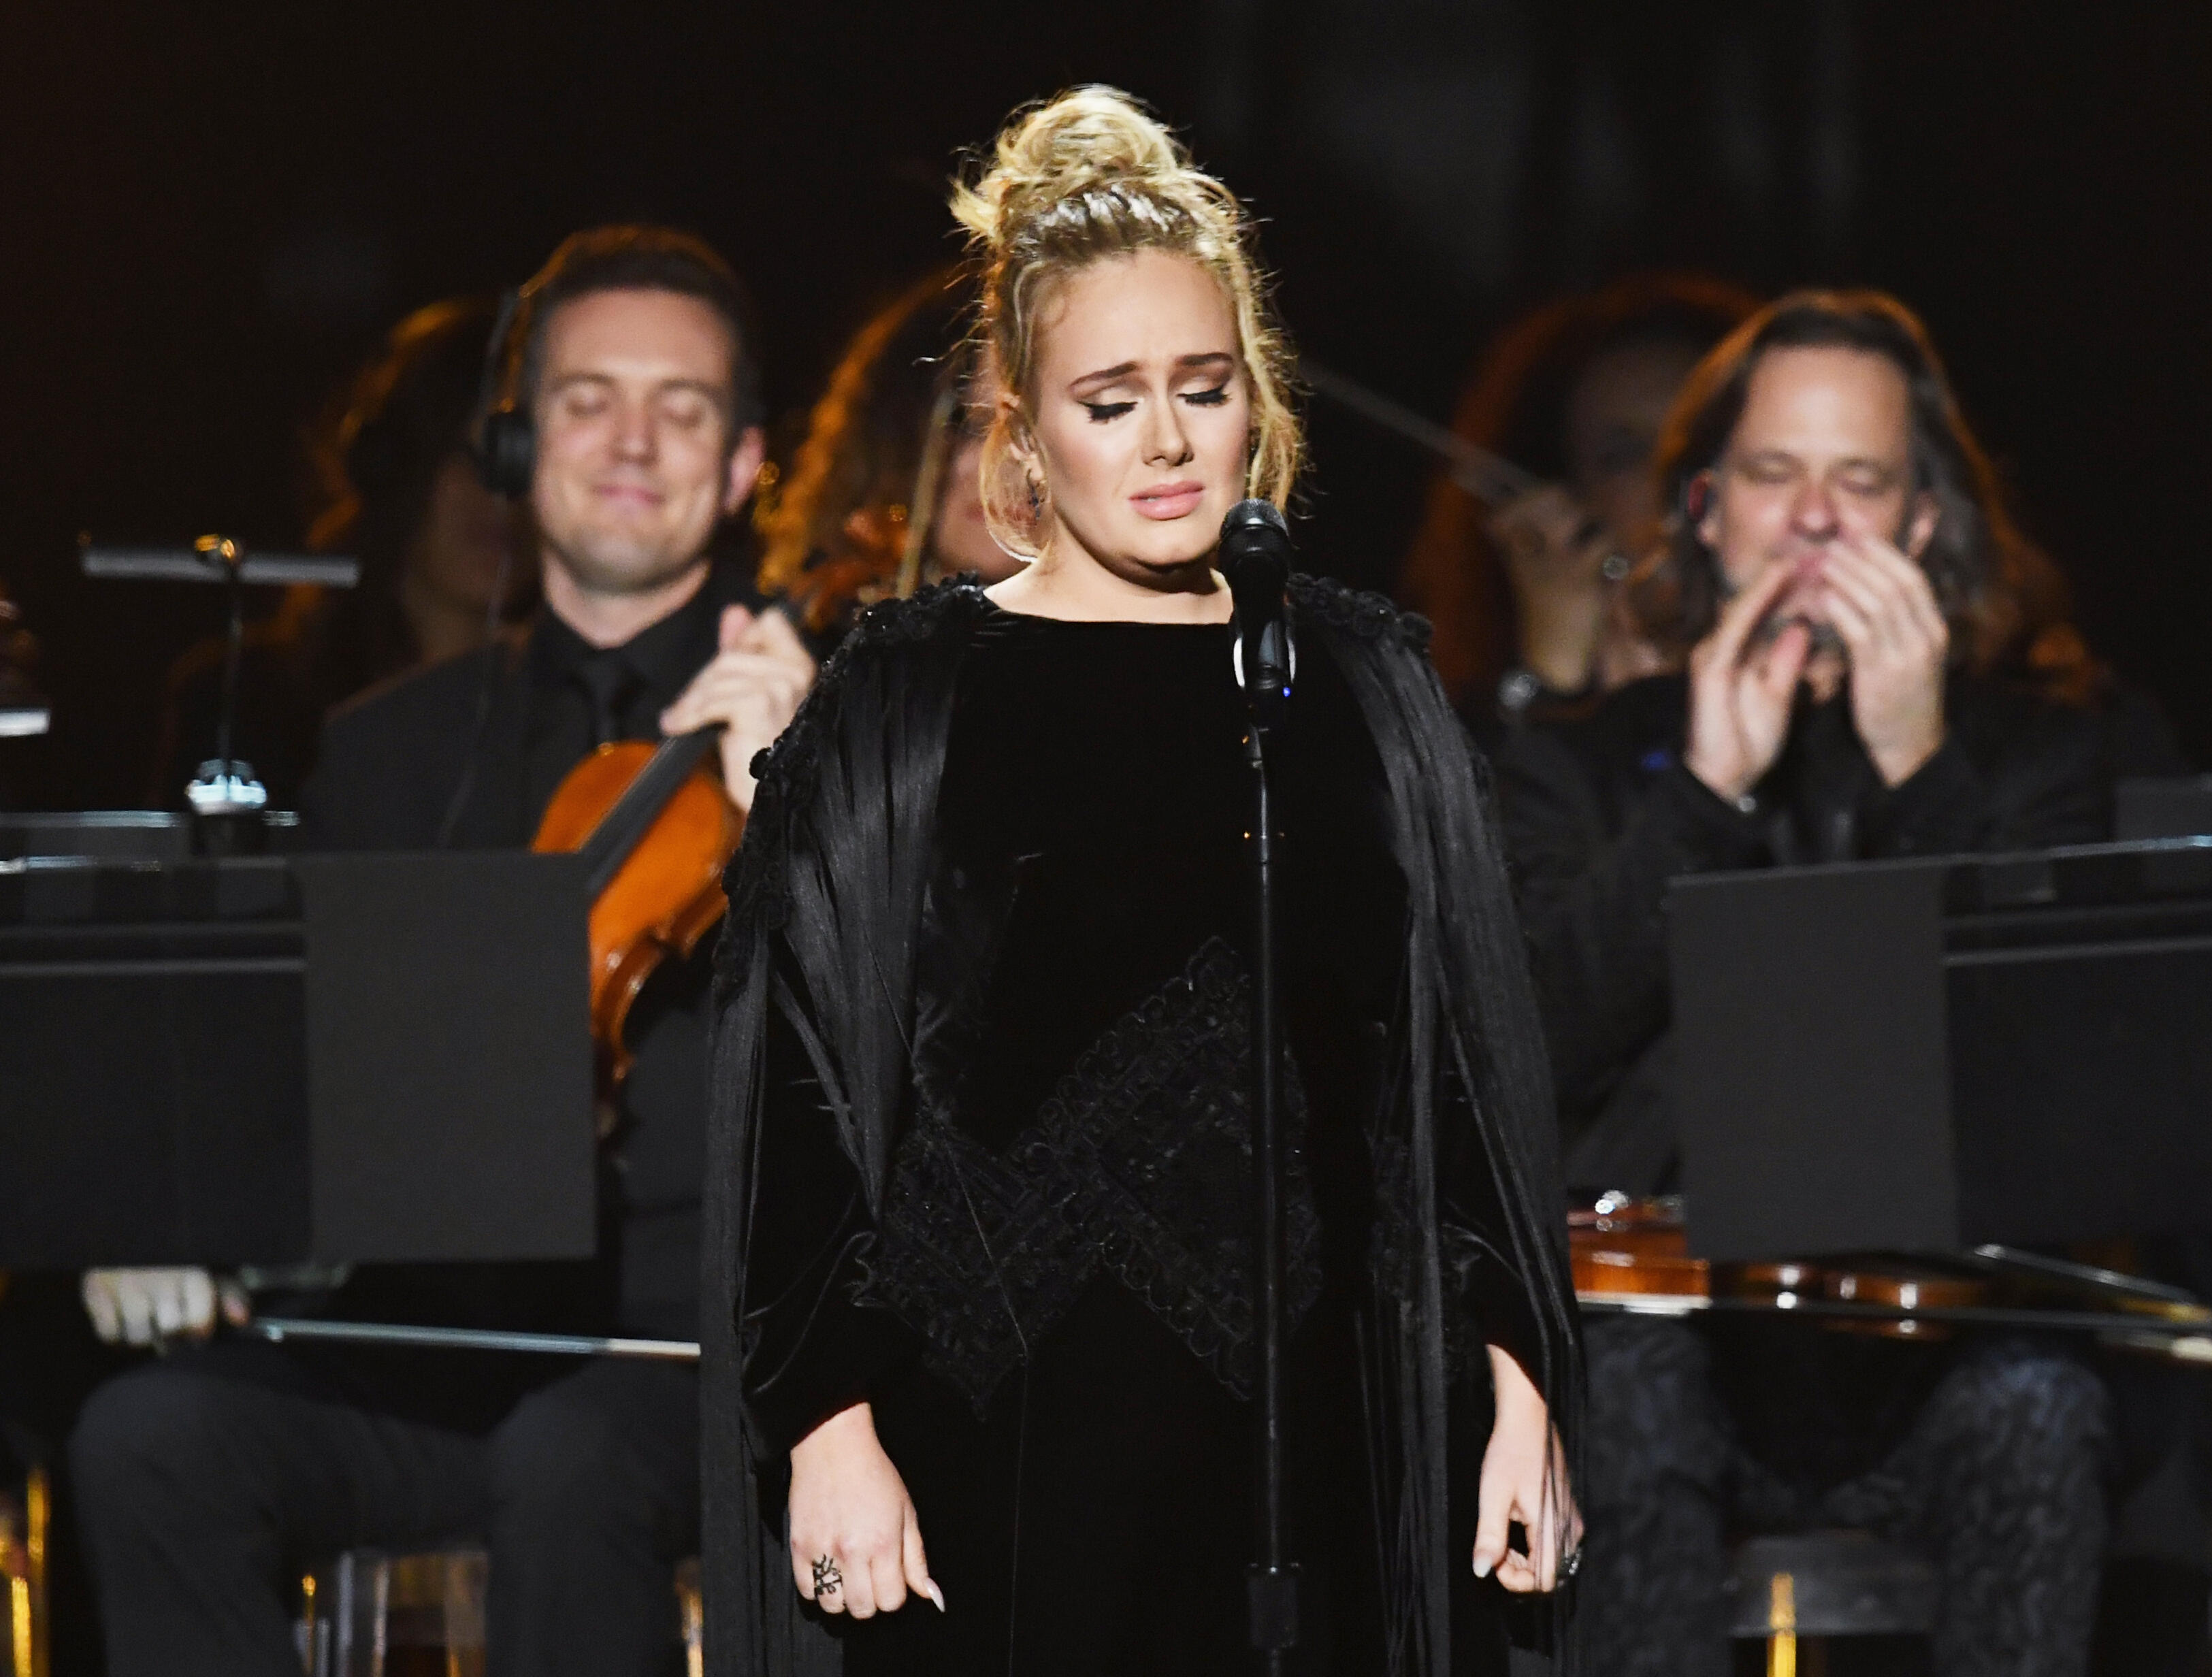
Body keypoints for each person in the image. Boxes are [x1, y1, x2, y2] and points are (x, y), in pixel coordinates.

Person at [702, 87, 1582, 1677]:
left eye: (1205, 387)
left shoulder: (1359, 689)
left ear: (1261, 400)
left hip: (1333, 1426)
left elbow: (1459, 1073)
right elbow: (804, 1091)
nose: (1170, 443)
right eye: (1111, 401)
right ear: (1025, 435)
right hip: (1003, 1443)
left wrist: (1522, 1382)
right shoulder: (912, 703)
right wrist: (827, 1423)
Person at [69, 224, 818, 1677]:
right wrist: (172, 1215)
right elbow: (291, 1080)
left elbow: (891, 1064)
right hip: (437, 1350)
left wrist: (791, 808)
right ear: (513, 437)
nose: (632, 442)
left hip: (691, 1368)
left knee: (568, 1460)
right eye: (590, 397)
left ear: (742, 466)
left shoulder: (819, 726)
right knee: (149, 1436)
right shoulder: (387, 744)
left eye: (685, 408)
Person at [1495, 290, 2116, 1677]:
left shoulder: (2035, 756)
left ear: (1926, 521)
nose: (1817, 519)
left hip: (1926, 1357)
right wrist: (1702, 800)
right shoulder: (1579, 761)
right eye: (1776, 475)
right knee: (1628, 1386)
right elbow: (1535, 1049)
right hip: (1673, 1349)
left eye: (1862, 479)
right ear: (1707, 509)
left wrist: (1922, 776)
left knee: (2042, 1401)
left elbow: (2053, 1082)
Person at [152, 297, 534, 811]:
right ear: (395, 465)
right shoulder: (246, 702)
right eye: (481, 459)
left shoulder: (583, 715)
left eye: (526, 466)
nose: (504, 498)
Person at [1401, 273, 1758, 740]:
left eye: (1706, 441)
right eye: (1626, 455)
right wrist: (1550, 677)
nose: (1675, 478)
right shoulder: (1459, 731)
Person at [758, 265, 1024, 602]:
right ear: (893, 447)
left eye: (1030, 429)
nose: (1009, 460)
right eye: (972, 426)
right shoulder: (813, 639)